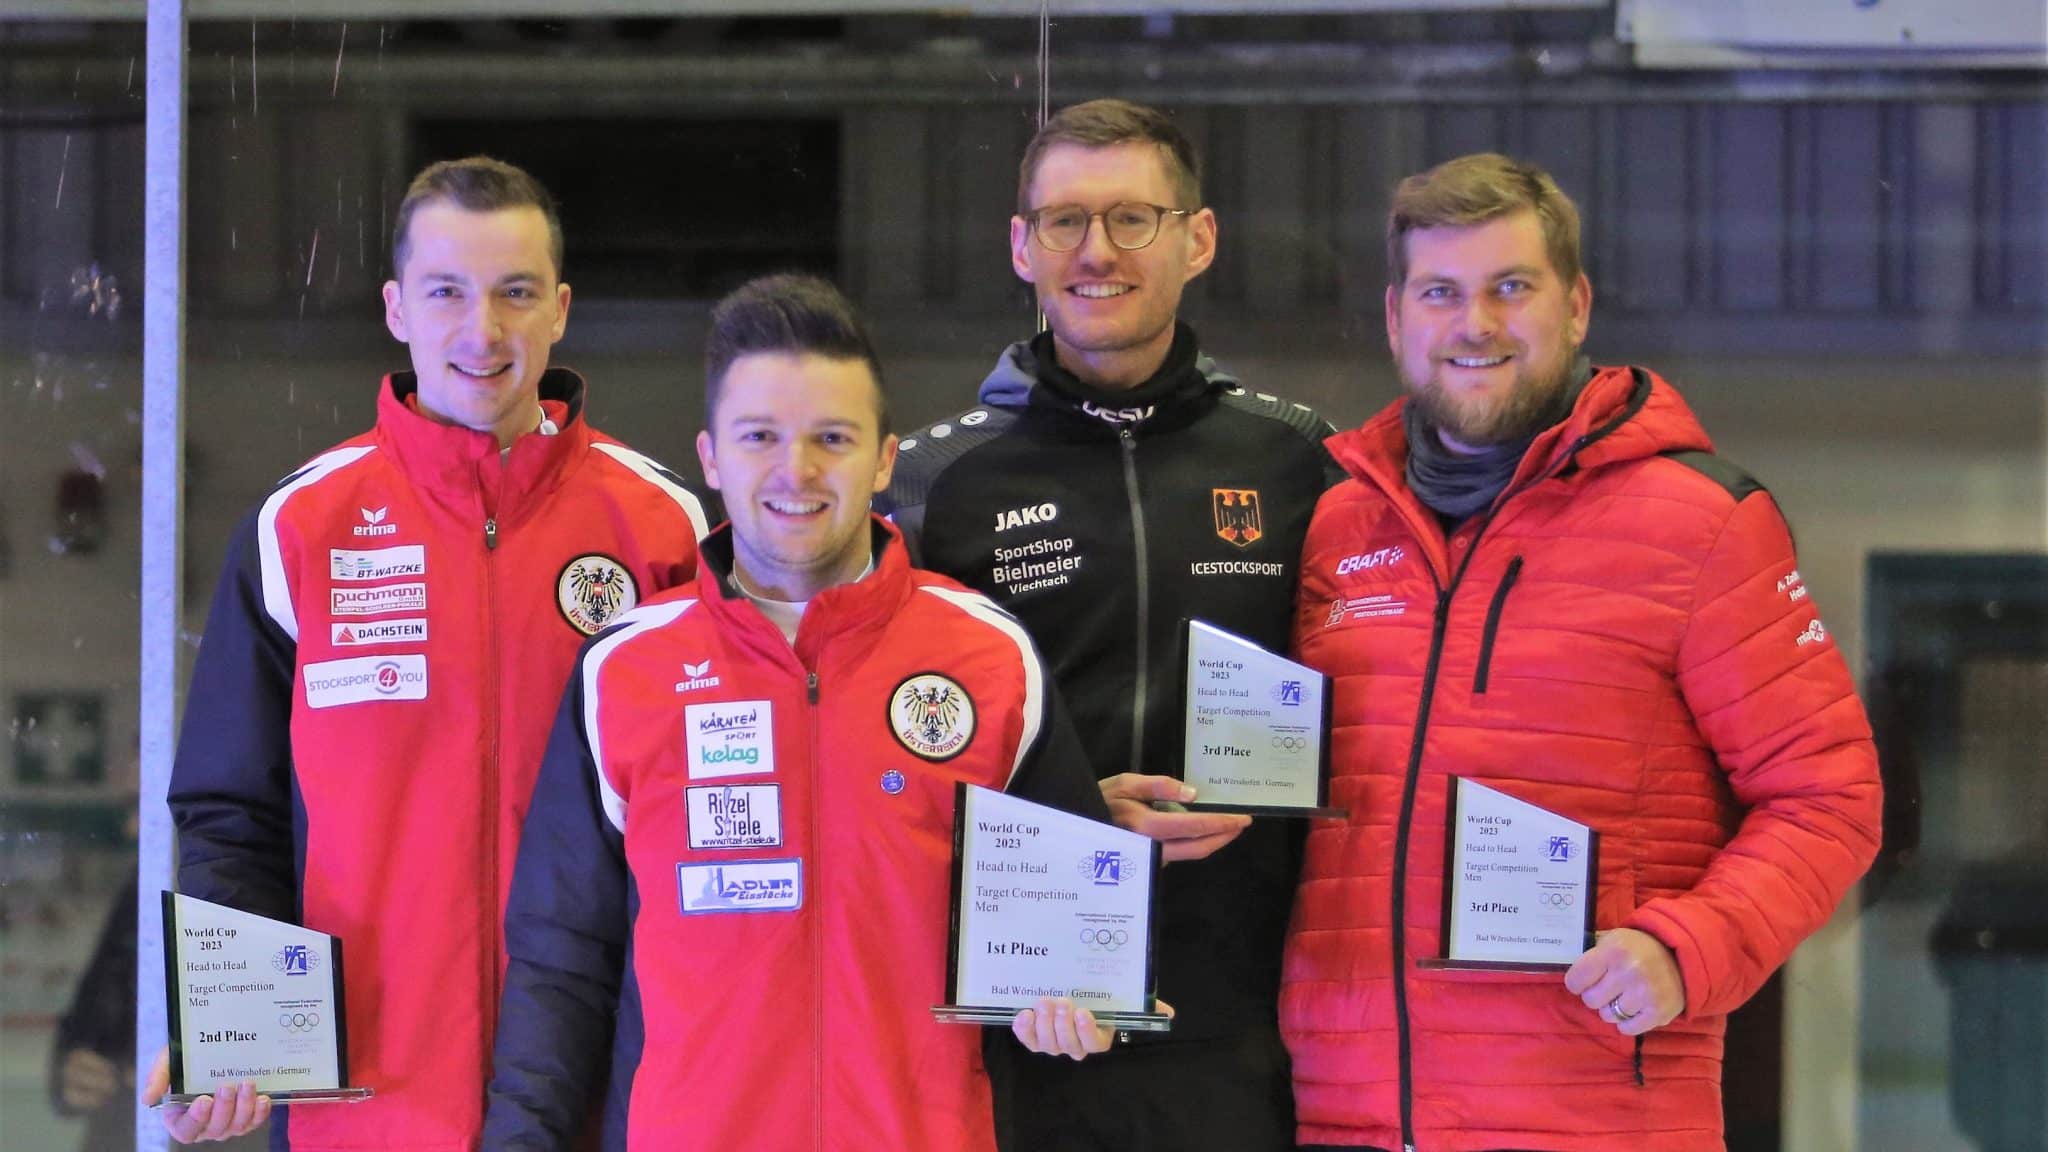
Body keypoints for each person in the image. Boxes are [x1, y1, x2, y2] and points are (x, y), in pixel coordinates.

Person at [1285, 152, 1884, 1151]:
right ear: (1395, 320)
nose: (1473, 323)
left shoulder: (1699, 521)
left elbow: (1830, 797)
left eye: (1508, 288)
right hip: (1346, 1115)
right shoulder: (1338, 524)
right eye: (1440, 292)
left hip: (1594, 1115)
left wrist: (1686, 948)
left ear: (1574, 308)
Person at [481, 274, 1125, 1152]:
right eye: (760, 438)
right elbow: (560, 964)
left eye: (833, 437)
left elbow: (1080, 942)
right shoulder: (623, 667)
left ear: (885, 460)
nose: (797, 470)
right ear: (711, 457)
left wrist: (1089, 1000)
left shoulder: (988, 659)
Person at [149, 156, 708, 1149]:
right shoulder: (299, 530)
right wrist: (231, 1031)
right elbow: (230, 813)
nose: (482, 330)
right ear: (397, 309)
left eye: (515, 293)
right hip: (366, 1104)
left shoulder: (661, 528)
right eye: (447, 292)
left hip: (608, 1101)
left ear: (561, 309)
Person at [879, 99, 1340, 1151]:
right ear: (1019, 246)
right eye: (1062, 222)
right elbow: (888, 747)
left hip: (1252, 1018)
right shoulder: (930, 486)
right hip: (1025, 1015)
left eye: (1133, 218)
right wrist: (1065, 810)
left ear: (1197, 239)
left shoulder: (1298, 462)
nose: (1096, 252)